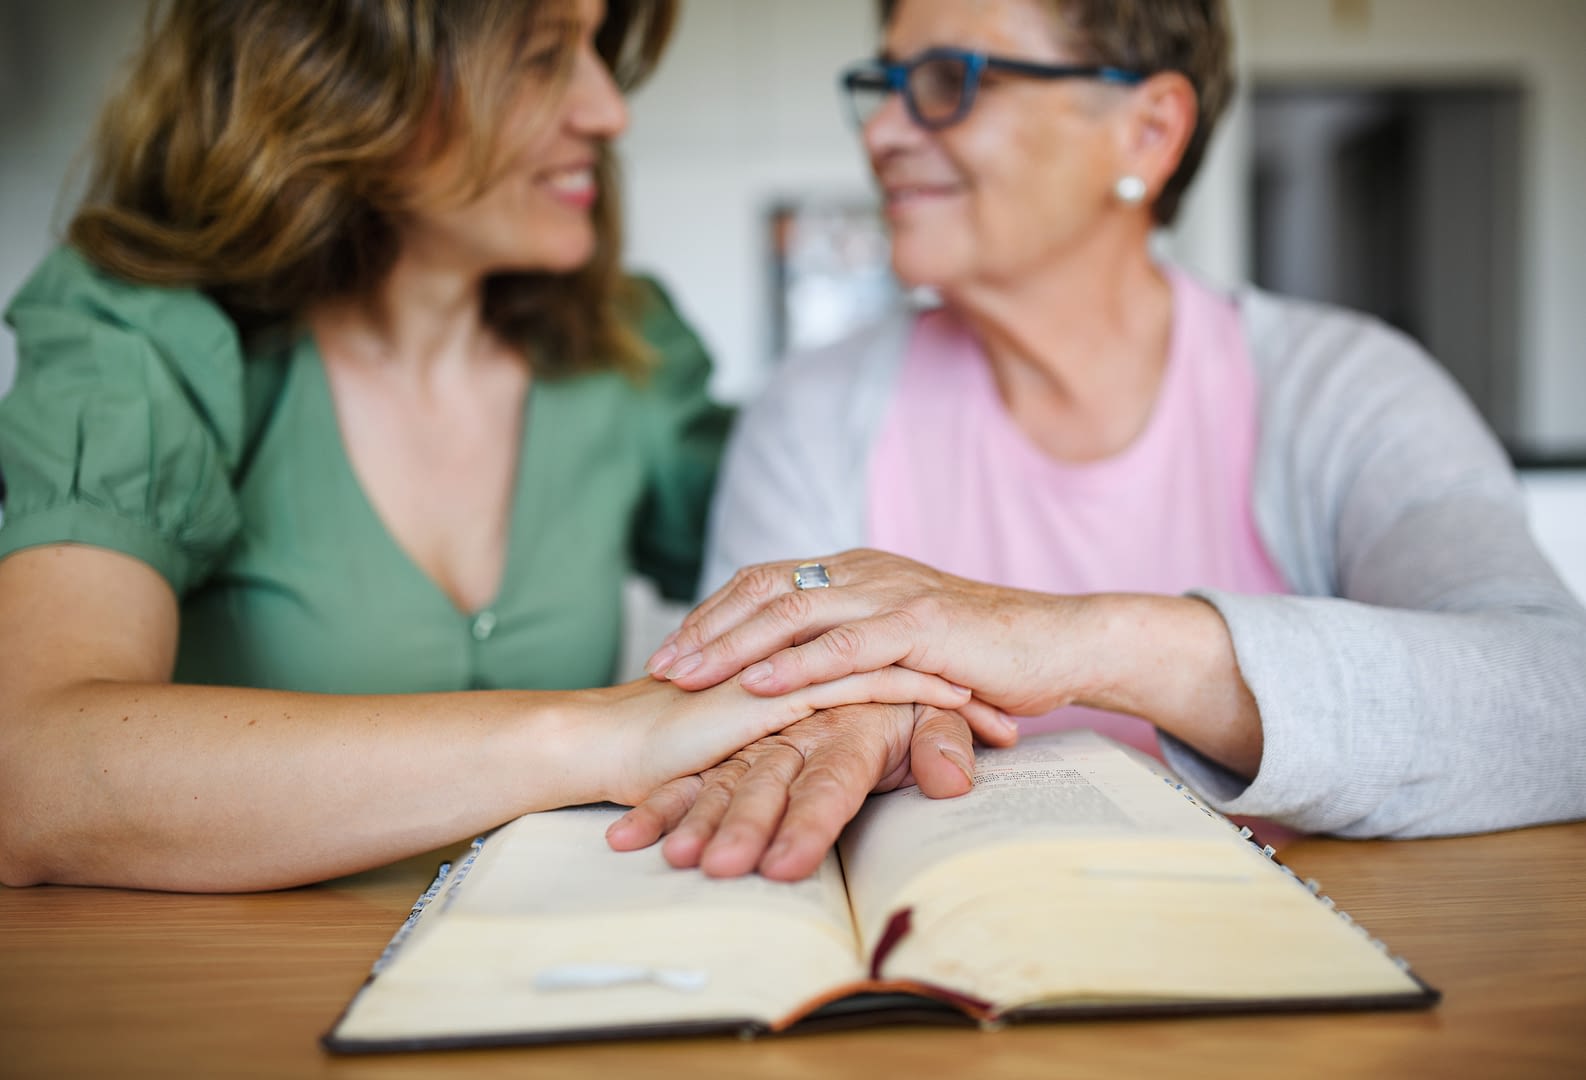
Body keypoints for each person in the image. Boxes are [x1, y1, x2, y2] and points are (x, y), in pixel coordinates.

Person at [0, 0, 993, 893]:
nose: (606, 112)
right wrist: (600, 732)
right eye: (537, 57)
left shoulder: (625, 353)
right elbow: (31, 773)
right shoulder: (143, 335)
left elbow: (814, 573)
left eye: (597, 51)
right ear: (336, 77)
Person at [619, 0, 1586, 880]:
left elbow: (1557, 705)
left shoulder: (1345, 390)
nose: (881, 133)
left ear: (1149, 129)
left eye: (950, 82)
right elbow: (743, 727)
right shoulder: (811, 413)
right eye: (884, 84)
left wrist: (1064, 638)